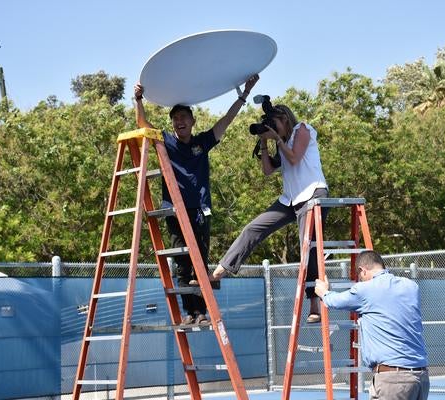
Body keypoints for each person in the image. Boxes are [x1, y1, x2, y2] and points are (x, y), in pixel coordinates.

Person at [133, 74, 259, 325]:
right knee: (181, 264)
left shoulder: (202, 142)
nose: (179, 122)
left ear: (192, 121)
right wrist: (138, 100)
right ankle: (189, 313)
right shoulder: (165, 141)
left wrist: (244, 94)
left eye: (183, 118)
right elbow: (142, 124)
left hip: (200, 210)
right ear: (172, 124)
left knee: (199, 263)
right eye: (175, 119)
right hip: (174, 211)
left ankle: (202, 311)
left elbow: (226, 121)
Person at [211, 102, 329, 323]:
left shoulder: (302, 129)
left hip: (313, 195)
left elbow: (294, 158)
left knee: (309, 249)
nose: (273, 129)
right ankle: (220, 271)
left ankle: (314, 302)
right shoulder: (280, 143)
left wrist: (277, 139)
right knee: (253, 228)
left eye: (274, 124)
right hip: (291, 199)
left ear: (284, 119)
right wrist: (265, 142)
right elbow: (267, 170)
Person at [314, 250, 429, 400]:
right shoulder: (410, 286)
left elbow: (335, 301)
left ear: (362, 271)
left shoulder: (365, 289)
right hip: (421, 376)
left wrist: (324, 292)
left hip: (393, 379)